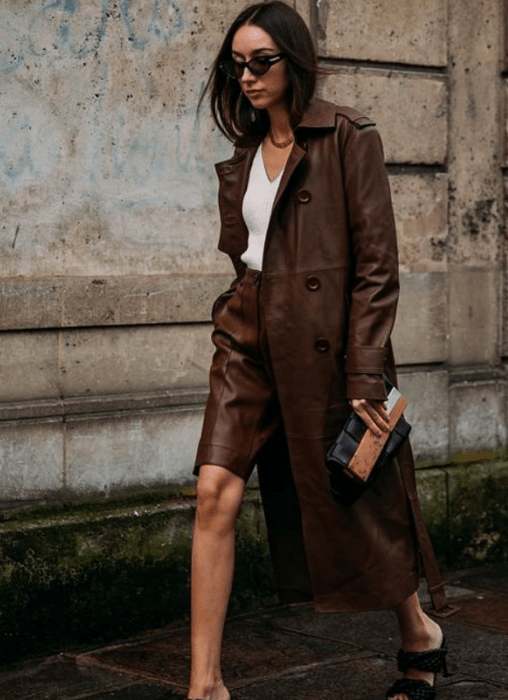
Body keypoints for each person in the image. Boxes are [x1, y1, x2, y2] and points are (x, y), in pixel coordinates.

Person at [188, 4, 451, 700]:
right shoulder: (246, 151)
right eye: (235, 64)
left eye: (260, 62)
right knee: (213, 490)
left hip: (325, 345)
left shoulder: (347, 136)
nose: (245, 77)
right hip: (246, 334)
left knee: (353, 497)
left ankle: (418, 632)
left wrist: (364, 365)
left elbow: (376, 263)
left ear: (295, 60)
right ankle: (205, 685)